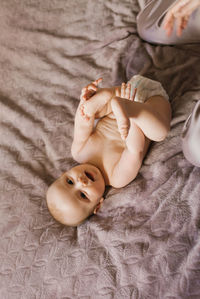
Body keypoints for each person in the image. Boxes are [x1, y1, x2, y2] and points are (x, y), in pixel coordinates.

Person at [46, 75, 171, 226]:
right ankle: (128, 108)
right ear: (98, 204)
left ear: (64, 174)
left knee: (88, 114)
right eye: (83, 195)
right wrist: (128, 117)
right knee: (159, 133)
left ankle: (106, 97)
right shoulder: (117, 177)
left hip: (125, 91)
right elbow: (134, 149)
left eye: (70, 181)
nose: (81, 182)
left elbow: (82, 123)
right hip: (149, 104)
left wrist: (85, 102)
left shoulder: (79, 151)